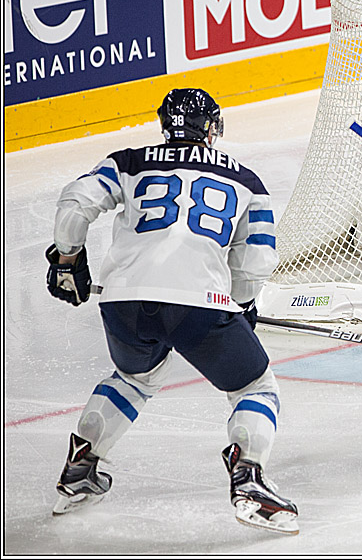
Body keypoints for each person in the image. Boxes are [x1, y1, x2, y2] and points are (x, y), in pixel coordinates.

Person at [45, 89, 298, 534]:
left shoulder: (128, 161)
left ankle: (81, 468)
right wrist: (241, 305)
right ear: (211, 128)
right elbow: (255, 261)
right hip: (198, 304)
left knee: (133, 379)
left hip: (123, 301)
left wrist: (67, 260)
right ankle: (249, 481)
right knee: (254, 386)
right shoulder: (247, 181)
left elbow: (75, 202)